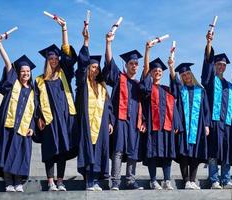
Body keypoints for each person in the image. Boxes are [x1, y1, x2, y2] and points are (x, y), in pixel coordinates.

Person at [0, 35, 36, 192]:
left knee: (21, 155)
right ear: (18, 73)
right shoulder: (12, 84)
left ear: (30, 73)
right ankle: (8, 181)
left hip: (23, 129)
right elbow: (8, 63)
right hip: (8, 125)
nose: (25, 73)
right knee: (7, 152)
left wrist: (32, 127)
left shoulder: (33, 91)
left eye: (27, 71)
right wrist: (0, 45)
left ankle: (18, 182)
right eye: (22, 71)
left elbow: (35, 112)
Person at [35, 16, 78, 191]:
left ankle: (60, 181)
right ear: (47, 60)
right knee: (50, 150)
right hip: (49, 119)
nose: (54, 60)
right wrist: (38, 117)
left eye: (56, 58)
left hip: (65, 118)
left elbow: (68, 55)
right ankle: (50, 181)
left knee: (63, 150)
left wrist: (64, 30)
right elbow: (36, 101)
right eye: (51, 58)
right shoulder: (39, 80)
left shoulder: (64, 75)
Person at [103, 32, 146, 190]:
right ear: (126, 65)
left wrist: (144, 122)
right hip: (120, 120)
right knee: (118, 150)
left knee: (133, 152)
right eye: (131, 63)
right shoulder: (118, 77)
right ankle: (115, 182)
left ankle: (130, 180)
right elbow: (109, 62)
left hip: (135, 121)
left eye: (136, 64)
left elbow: (145, 104)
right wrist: (108, 43)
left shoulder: (138, 84)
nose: (134, 66)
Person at [201, 31, 232, 189]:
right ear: (214, 66)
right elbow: (207, 62)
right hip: (214, 122)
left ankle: (226, 179)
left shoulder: (230, 86)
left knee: (227, 151)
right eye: (218, 64)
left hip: (229, 123)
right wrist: (209, 43)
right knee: (213, 152)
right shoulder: (210, 81)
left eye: (223, 65)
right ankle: (214, 180)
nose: (221, 66)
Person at [75, 26, 115, 191]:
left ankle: (95, 181)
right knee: (88, 151)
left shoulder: (102, 86)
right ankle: (89, 181)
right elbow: (82, 65)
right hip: (87, 124)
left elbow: (109, 106)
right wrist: (86, 41)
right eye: (93, 67)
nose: (95, 69)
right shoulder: (83, 84)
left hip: (101, 124)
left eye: (97, 68)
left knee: (99, 152)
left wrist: (110, 121)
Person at [139, 41, 182, 190]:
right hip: (153, 126)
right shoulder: (148, 88)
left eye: (159, 71)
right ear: (151, 73)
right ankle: (153, 180)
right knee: (152, 153)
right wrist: (147, 52)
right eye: (155, 71)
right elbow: (143, 85)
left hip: (167, 127)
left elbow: (178, 91)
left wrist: (171, 67)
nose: (157, 72)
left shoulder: (167, 89)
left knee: (167, 154)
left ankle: (166, 180)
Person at [168, 59, 210, 190]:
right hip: (183, 127)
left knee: (195, 154)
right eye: (183, 75)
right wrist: (171, 67)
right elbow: (174, 82)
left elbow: (206, 109)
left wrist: (207, 125)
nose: (186, 76)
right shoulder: (181, 90)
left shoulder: (201, 91)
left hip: (198, 128)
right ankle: (186, 181)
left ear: (192, 74)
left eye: (187, 74)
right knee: (184, 154)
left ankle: (192, 180)